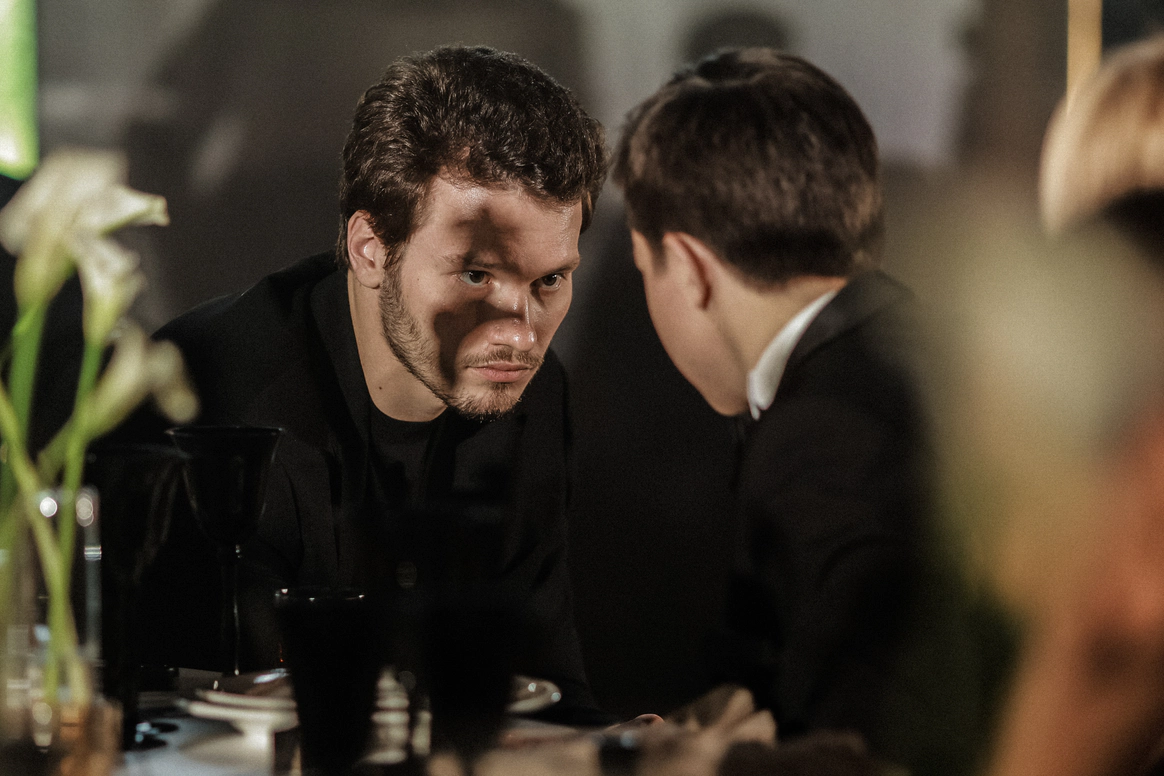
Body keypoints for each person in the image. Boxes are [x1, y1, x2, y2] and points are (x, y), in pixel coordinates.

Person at [136, 45, 607, 720]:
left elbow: (547, 686)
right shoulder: (214, 393)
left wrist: (627, 751)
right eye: (476, 275)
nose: (521, 333)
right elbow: (185, 708)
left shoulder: (536, 394)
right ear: (370, 250)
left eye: (550, 280)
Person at [612, 48, 996, 774]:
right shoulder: (925, 356)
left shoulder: (821, 435)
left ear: (688, 268)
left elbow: (877, 745)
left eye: (643, 267)